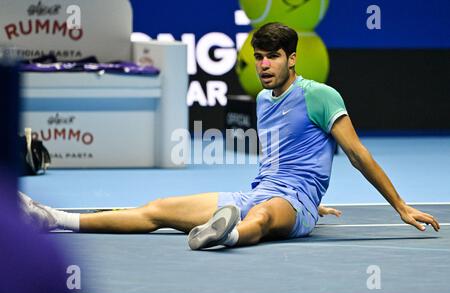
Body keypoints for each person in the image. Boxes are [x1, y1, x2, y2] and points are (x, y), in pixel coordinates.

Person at [19, 22, 440, 250]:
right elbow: (283, 159)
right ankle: (54, 219)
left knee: (264, 217)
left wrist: (400, 206)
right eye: (258, 57)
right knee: (159, 208)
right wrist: (310, 187)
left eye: (272, 56)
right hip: (257, 191)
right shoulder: (261, 101)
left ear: (292, 58)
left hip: (294, 203)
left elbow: (358, 154)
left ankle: (227, 235)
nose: (263, 65)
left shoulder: (320, 96)